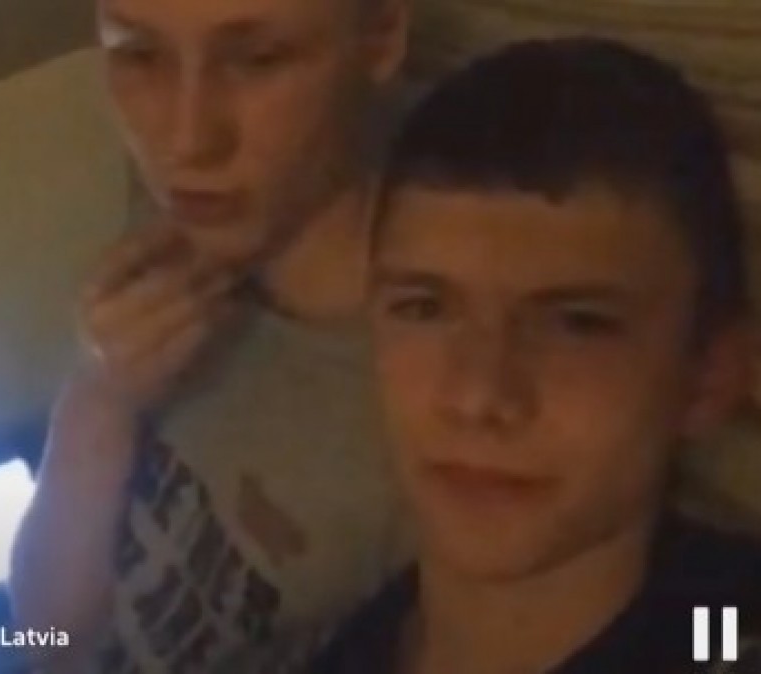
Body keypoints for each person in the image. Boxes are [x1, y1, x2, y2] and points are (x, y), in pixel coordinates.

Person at [312, 37, 761, 673]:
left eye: (577, 325)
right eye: (424, 309)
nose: (479, 395)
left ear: (710, 375)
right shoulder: (347, 645)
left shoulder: (721, 627)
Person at [9, 0, 413, 670]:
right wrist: (99, 399)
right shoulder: (188, 218)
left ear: (380, 36)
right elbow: (47, 637)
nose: (186, 141)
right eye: (140, 54)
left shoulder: (430, 396)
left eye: (257, 60)